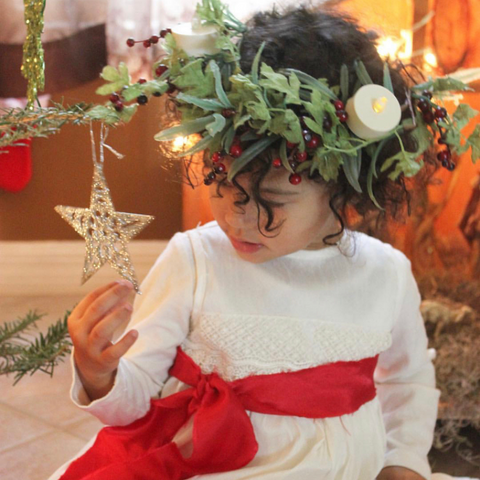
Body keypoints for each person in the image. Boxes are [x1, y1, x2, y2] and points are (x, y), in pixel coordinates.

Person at [49, 3, 466, 480]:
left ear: (344, 187)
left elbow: (408, 383)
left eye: (271, 199)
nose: (236, 217)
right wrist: (99, 374)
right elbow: (136, 399)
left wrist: (403, 463)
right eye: (222, 185)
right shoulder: (196, 261)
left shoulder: (386, 274)